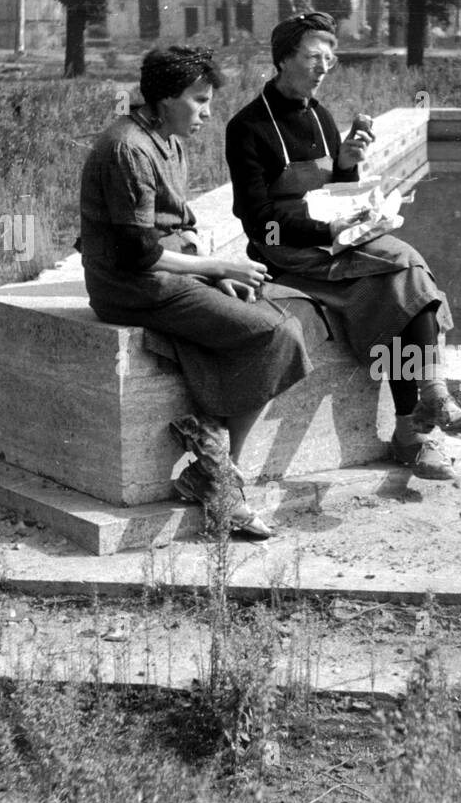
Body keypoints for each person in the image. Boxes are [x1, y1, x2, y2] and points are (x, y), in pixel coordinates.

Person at [225, 12, 461, 481]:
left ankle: (418, 419)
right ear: (282, 59)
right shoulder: (248, 127)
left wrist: (346, 167)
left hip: (334, 241)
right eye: (312, 57)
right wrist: (329, 230)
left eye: (329, 58)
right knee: (406, 268)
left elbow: (332, 192)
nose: (323, 67)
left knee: (407, 281)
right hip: (286, 251)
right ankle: (425, 409)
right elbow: (256, 219)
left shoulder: (320, 116)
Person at [79, 45, 313, 538]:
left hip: (168, 275)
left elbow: (179, 229)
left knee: (272, 319)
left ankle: (212, 465)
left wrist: (213, 277)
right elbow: (138, 253)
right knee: (276, 332)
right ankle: (220, 475)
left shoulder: (170, 142)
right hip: (127, 285)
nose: (208, 112)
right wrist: (218, 265)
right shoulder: (128, 149)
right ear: (164, 98)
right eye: (199, 100)